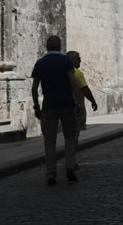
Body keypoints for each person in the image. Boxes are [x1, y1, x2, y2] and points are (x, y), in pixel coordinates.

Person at [31, 34, 85, 186]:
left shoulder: (40, 63)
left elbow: (34, 88)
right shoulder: (66, 61)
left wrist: (36, 106)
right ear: (60, 47)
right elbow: (73, 82)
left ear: (46, 47)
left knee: (50, 141)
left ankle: (51, 173)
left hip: (49, 105)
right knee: (70, 137)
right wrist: (79, 103)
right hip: (67, 104)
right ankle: (70, 167)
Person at [66, 50, 98, 150]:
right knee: (75, 133)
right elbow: (85, 90)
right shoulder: (77, 73)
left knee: (69, 133)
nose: (80, 61)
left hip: (65, 106)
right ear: (72, 60)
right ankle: (72, 153)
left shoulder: (62, 72)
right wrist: (93, 101)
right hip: (77, 106)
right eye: (78, 59)